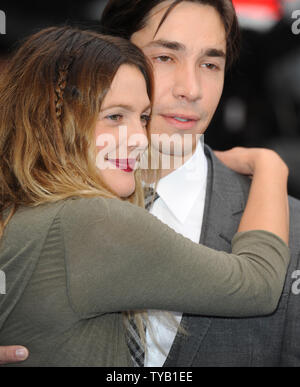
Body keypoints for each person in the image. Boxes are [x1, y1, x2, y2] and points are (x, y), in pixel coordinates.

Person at [0, 26, 290, 367]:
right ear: (51, 120)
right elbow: (258, 284)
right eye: (114, 116)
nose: (140, 137)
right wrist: (270, 165)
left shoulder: (25, 209)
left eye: (143, 117)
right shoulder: (93, 222)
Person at [97, 0, 300, 367]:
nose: (190, 89)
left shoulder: (292, 230)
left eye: (210, 64)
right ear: (108, 61)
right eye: (165, 56)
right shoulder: (28, 204)